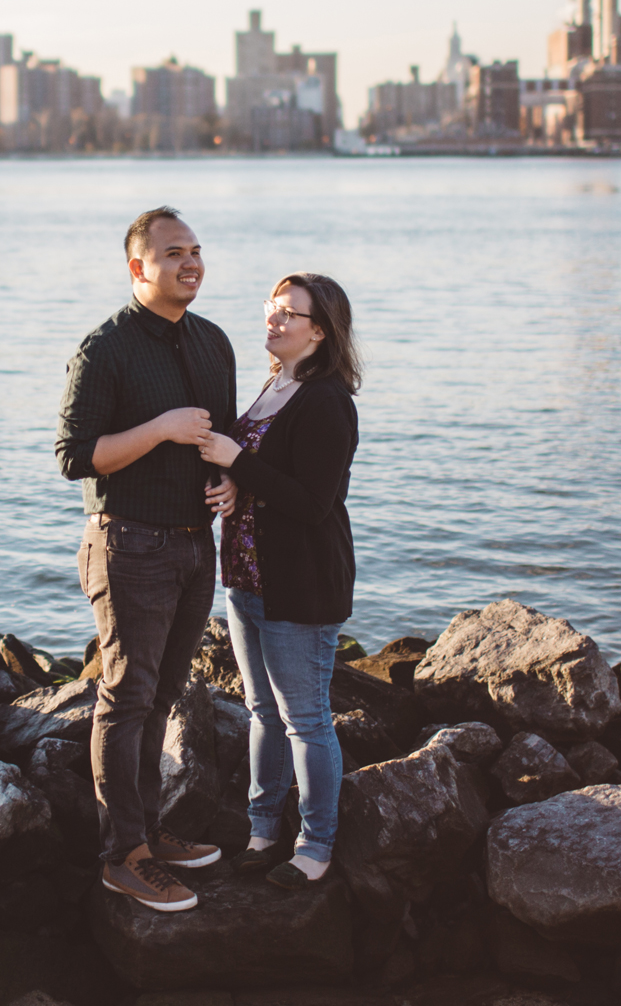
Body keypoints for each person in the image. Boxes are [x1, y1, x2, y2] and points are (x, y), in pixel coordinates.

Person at [55, 206, 239, 913]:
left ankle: (150, 833)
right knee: (126, 698)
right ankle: (122, 855)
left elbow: (218, 439)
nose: (189, 263)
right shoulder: (106, 348)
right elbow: (75, 457)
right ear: (139, 268)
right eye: (171, 253)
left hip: (197, 543)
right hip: (128, 543)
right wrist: (160, 428)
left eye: (195, 250)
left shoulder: (213, 343)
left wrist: (228, 479)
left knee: (163, 697)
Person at [194, 272, 360, 891]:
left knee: (307, 718)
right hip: (243, 578)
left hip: (301, 585)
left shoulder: (326, 401)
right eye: (273, 307)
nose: (274, 318)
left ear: (320, 331)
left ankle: (315, 846)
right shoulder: (274, 384)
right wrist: (237, 483)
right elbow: (265, 475)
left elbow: (313, 502)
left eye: (290, 313)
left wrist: (236, 462)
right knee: (261, 710)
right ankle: (263, 830)